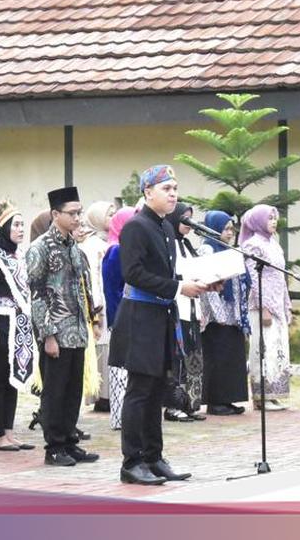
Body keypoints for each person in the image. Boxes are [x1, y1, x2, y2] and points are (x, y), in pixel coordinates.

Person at [108, 165, 211, 486]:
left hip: (160, 316)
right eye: (166, 188)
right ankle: (132, 462)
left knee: (156, 391)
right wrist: (180, 289)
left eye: (175, 188)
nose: (173, 194)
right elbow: (133, 274)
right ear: (147, 192)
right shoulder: (137, 227)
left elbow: (167, 274)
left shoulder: (165, 227)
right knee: (139, 392)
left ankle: (154, 457)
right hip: (139, 316)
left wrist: (198, 282)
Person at [26, 186, 99, 467]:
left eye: (79, 212)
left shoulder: (73, 247)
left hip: (77, 331)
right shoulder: (40, 248)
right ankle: (54, 447)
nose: (78, 218)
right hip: (55, 332)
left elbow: (83, 287)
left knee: (73, 391)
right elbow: (37, 294)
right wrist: (47, 335)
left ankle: (69, 441)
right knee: (55, 391)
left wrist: (91, 321)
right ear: (55, 214)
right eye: (72, 213)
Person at [0, 204, 37, 452]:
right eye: (15, 224)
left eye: (23, 224)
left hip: (20, 323)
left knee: (13, 380)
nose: (21, 229)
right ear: (3, 228)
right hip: (1, 324)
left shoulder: (20, 256)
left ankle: (11, 433)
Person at [196, 210, 250, 416]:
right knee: (217, 358)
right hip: (216, 318)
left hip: (232, 314)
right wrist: (220, 315)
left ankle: (228, 399)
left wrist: (237, 313)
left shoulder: (230, 250)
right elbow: (208, 288)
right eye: (225, 229)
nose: (230, 233)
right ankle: (216, 401)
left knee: (231, 358)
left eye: (231, 229)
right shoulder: (207, 250)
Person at [241, 204, 293, 411]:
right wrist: (264, 307)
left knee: (277, 350)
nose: (274, 222)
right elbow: (254, 278)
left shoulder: (274, 244)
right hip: (261, 305)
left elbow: (281, 275)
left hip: (277, 302)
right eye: (269, 218)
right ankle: (261, 397)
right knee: (263, 350)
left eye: (275, 218)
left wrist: (286, 303)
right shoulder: (253, 245)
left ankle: (274, 394)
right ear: (258, 221)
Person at [165, 202, 206, 423]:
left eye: (191, 219)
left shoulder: (188, 245)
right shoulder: (169, 245)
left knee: (194, 356)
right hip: (177, 305)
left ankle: (191, 404)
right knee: (178, 357)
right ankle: (173, 406)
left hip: (193, 306)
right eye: (184, 219)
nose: (188, 224)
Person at [101, 207, 135, 431]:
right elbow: (112, 289)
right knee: (120, 369)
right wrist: (117, 319)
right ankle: (120, 417)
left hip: (130, 315)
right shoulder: (116, 251)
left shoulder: (127, 249)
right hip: (121, 317)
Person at [78, 201, 114, 412]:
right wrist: (97, 310)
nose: (112, 218)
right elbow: (92, 279)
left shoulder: (105, 243)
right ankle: (102, 394)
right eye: (108, 215)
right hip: (99, 305)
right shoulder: (92, 246)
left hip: (107, 302)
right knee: (102, 346)